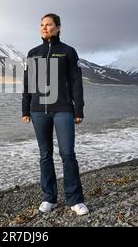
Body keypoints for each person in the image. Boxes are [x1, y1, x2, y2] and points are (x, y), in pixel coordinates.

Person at [22, 13, 89, 216]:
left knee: (67, 153)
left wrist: (79, 109)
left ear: (58, 28)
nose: (45, 27)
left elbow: (76, 82)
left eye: (49, 24)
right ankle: (49, 198)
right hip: (38, 110)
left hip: (63, 110)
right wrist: (25, 108)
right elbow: (28, 83)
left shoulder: (68, 52)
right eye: (42, 25)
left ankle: (75, 200)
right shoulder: (33, 53)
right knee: (45, 155)